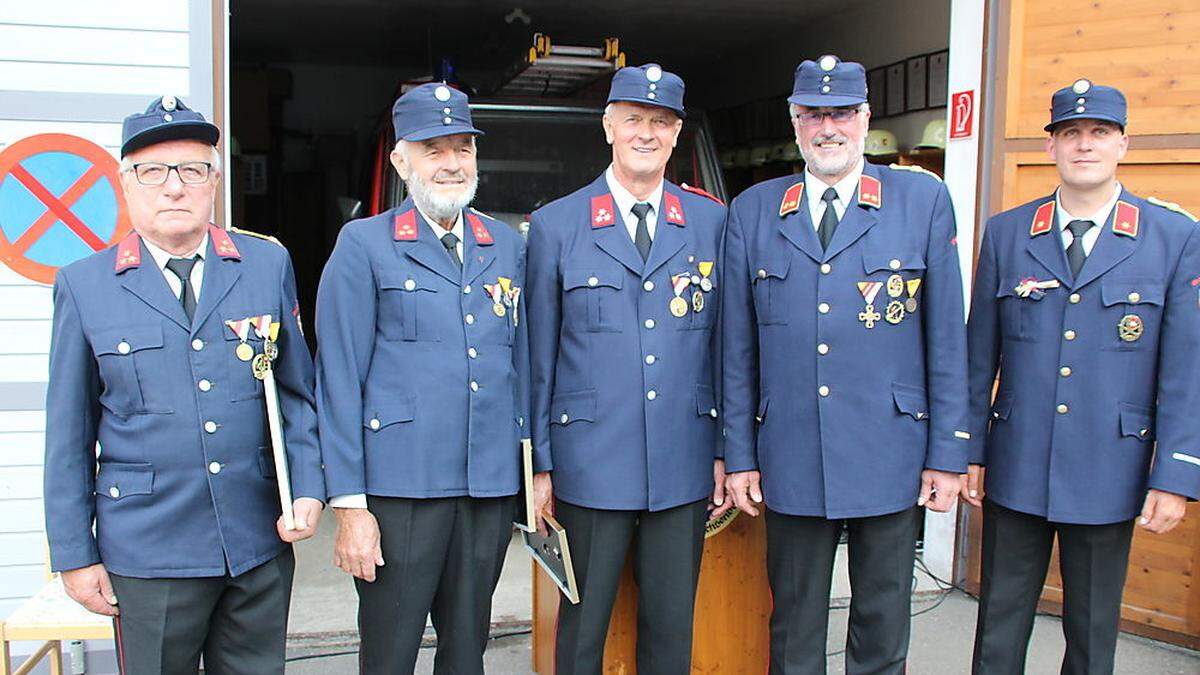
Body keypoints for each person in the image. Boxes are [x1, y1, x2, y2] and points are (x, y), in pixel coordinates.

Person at [44, 95, 324, 674]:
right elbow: (69, 433)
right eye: (153, 172)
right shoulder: (85, 285)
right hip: (148, 552)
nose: (174, 187)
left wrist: (308, 487)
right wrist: (74, 555)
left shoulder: (265, 264)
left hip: (255, 542)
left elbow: (296, 393)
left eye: (192, 170)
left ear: (214, 181)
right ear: (127, 184)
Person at [721, 55, 970, 674]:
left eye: (840, 114)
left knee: (883, 619)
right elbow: (736, 347)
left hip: (889, 446)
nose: (827, 127)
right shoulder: (753, 210)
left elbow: (945, 340)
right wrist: (741, 455)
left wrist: (948, 453)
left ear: (864, 117)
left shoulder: (921, 200)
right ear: (795, 121)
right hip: (792, 450)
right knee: (794, 621)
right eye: (813, 115)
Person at [964, 78, 1200, 674]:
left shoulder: (1174, 238)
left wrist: (1175, 475)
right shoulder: (1010, 232)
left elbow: (1186, 368)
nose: (1084, 145)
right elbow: (978, 356)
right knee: (999, 618)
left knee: (1092, 628)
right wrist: (965, 450)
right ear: (1052, 147)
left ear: (1123, 144)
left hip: (1109, 465)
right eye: (1070, 133)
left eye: (1099, 133)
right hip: (1017, 460)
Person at [315, 82, 529, 674]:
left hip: (485, 487)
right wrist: (350, 505)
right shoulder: (364, 245)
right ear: (400, 160)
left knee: (468, 651)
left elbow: (522, 366)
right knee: (391, 650)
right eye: (434, 149)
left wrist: (532, 470)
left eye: (463, 148)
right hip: (399, 491)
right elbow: (337, 380)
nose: (452, 163)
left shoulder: (504, 245)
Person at [524, 63, 729, 674]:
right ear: (608, 126)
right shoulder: (558, 224)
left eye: (661, 122)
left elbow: (727, 346)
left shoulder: (712, 222)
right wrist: (539, 464)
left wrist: (726, 449)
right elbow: (536, 354)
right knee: (582, 627)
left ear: (676, 134)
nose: (647, 133)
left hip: (682, 457)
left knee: (672, 628)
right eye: (634, 119)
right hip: (589, 461)